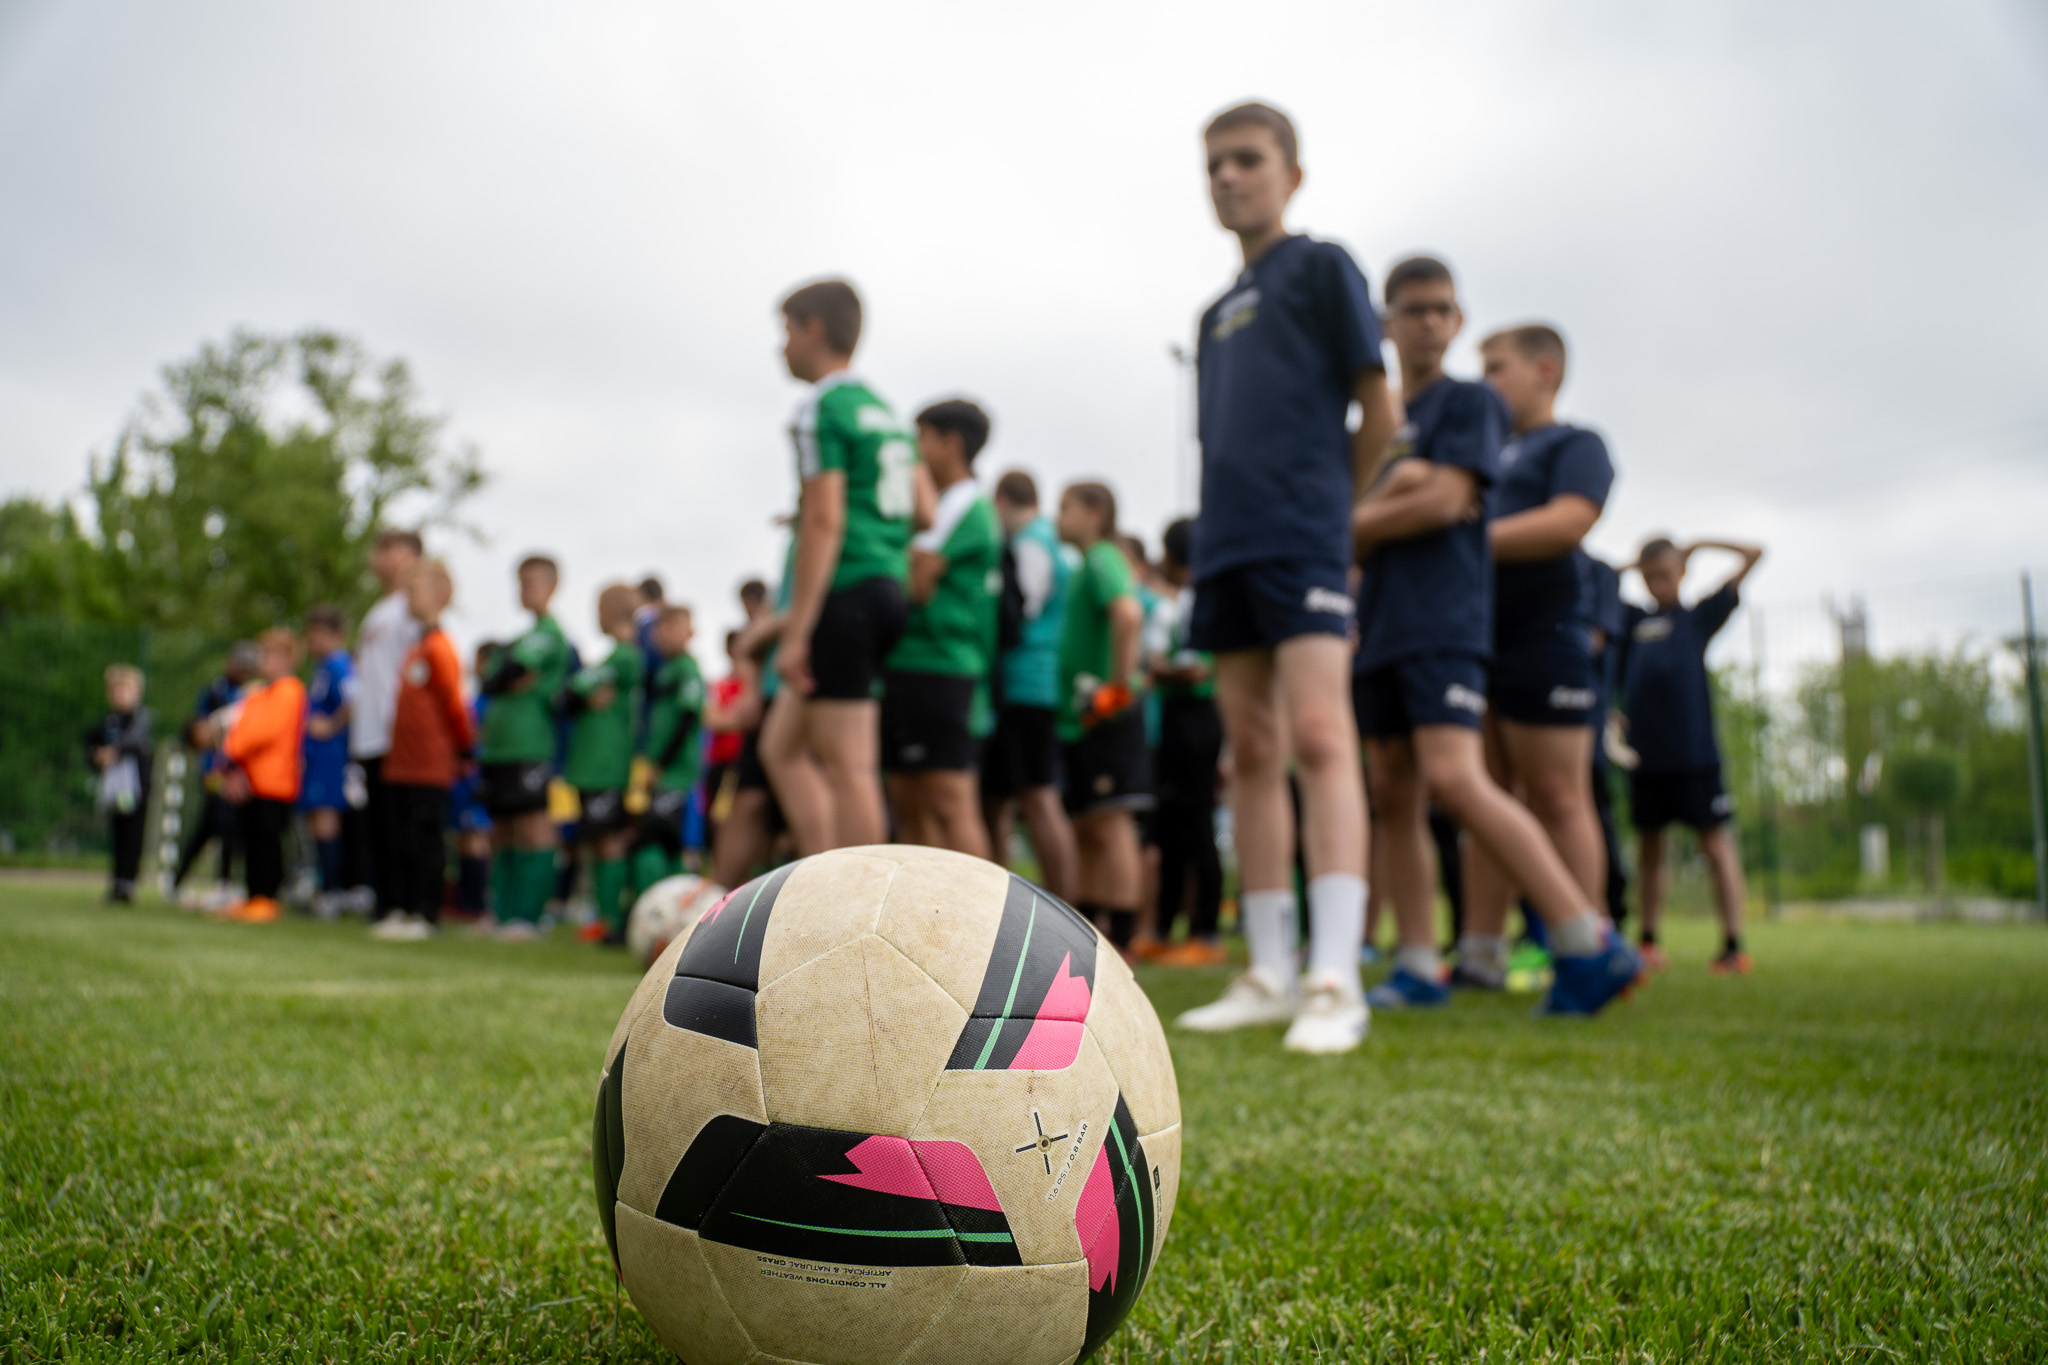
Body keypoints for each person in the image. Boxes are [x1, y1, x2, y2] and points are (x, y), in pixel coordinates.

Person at [1352, 255, 1641, 1017]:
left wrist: (1369, 515)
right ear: (1385, 323)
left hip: (1452, 620)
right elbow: (1383, 497)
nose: (1427, 322)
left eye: (1441, 308)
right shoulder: (1385, 423)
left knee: (1467, 780)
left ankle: (1587, 937)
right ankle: (1425, 961)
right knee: (1394, 789)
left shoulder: (1474, 406)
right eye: (1412, 309)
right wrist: (1391, 495)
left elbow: (1445, 502)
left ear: (1456, 319)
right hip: (1383, 620)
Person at [1173, 101, 1397, 1054]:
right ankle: (1268, 970)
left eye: (1248, 159)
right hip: (1226, 546)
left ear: (1290, 175)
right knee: (1253, 751)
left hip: (1305, 539)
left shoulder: (1322, 266)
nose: (1228, 176)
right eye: (1214, 164)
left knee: (1319, 734)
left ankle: (1334, 976)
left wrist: (1334, 516)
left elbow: (1379, 410)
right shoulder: (1212, 315)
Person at [1454, 321, 1616, 986]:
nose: (1486, 382)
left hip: (1546, 634)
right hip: (1476, 635)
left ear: (1545, 369)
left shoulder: (1576, 444)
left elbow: (1571, 520)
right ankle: (1480, 955)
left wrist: (1468, 540)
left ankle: (1589, 950)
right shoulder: (1487, 453)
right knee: (1483, 795)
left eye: (1497, 367)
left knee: (1558, 794)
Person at [761, 279, 917, 853]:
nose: (781, 347)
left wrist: (796, 632)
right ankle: (819, 881)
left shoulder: (820, 407)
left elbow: (825, 522)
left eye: (786, 332)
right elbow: (923, 507)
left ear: (814, 330)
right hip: (887, 586)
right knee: (780, 748)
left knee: (850, 766)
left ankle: (862, 900)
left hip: (845, 592)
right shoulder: (884, 410)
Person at [1617, 535, 1764, 974]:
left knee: (1715, 845)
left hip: (1695, 757)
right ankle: (1648, 942)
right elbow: (1596, 586)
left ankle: (1733, 945)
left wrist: (1696, 545)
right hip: (1645, 759)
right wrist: (1632, 564)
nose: (1658, 583)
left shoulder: (1698, 617)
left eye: (1665, 574)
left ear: (1682, 572)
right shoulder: (1632, 622)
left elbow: (1753, 554)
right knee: (1649, 850)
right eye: (1650, 577)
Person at [882, 399, 1002, 858]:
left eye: (921, 439)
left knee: (950, 801)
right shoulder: (948, 501)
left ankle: (981, 904)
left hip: (941, 666)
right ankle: (926, 904)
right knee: (909, 800)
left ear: (951, 444)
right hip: (913, 663)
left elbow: (917, 579)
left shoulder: (961, 502)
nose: (914, 452)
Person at [1056, 482, 1150, 949]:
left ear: (1095, 513)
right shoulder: (1086, 564)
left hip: (1106, 716)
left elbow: (1128, 615)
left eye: (1066, 507)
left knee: (1111, 824)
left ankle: (1124, 939)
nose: (1057, 517)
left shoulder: (1102, 557)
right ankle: (1092, 938)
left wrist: (1116, 688)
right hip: (1085, 718)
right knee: (1090, 826)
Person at [982, 470, 1079, 902]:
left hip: (1026, 684)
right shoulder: (1050, 543)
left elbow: (1020, 609)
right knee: (1004, 796)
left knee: (1037, 796)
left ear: (1002, 500)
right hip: (1033, 684)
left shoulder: (1030, 543)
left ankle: (1067, 908)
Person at [375, 559, 474, 940]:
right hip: (401, 763)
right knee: (399, 839)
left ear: (439, 596)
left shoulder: (440, 647)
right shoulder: (415, 647)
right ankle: (401, 909)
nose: (408, 598)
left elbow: (454, 705)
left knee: (426, 840)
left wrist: (463, 749)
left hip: (429, 765)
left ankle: (426, 913)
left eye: (414, 590)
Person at [476, 555, 572, 940]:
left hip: (530, 745)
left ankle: (529, 917)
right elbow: (490, 678)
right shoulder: (519, 638)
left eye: (531, 582)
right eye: (520, 582)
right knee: (503, 828)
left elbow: (506, 671)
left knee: (533, 825)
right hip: (499, 748)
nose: (523, 590)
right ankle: (503, 913)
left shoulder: (549, 634)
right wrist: (500, 674)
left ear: (552, 586)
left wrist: (503, 672)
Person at [1149, 519, 1227, 966]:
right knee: (1171, 826)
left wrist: (1160, 668)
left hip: (1199, 717)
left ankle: (1207, 933)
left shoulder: (1199, 601)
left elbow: (1195, 670)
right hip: (1177, 717)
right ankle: (1164, 928)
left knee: (1198, 822)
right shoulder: (1177, 602)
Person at [566, 583, 645, 945]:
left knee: (608, 839)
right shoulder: (614, 658)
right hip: (593, 765)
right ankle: (602, 916)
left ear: (610, 609)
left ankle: (611, 919)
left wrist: (583, 689)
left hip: (606, 764)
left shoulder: (624, 657)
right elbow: (575, 693)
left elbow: (575, 689)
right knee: (598, 839)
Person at [351, 529, 423, 919]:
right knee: (377, 823)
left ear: (412, 557)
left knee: (401, 823)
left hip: (397, 733)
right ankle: (384, 901)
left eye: (389, 550)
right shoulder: (378, 611)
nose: (379, 558)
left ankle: (405, 904)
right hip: (369, 734)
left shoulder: (411, 610)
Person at [221, 628, 307, 924]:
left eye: (272, 655)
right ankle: (253, 895)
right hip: (252, 780)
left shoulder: (289, 690)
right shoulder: (260, 692)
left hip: (275, 781)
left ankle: (267, 897)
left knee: (267, 840)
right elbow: (241, 724)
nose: (266, 660)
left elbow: (261, 731)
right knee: (251, 839)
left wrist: (233, 748)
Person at [173, 641, 256, 904]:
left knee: (220, 827)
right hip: (215, 773)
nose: (243, 671)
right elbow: (201, 731)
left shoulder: (248, 694)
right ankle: (193, 882)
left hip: (234, 771)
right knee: (215, 824)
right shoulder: (213, 692)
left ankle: (220, 882)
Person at [633, 604, 708, 894]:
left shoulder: (688, 669)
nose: (663, 635)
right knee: (669, 840)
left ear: (690, 632)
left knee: (653, 838)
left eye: (672, 627)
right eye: (659, 629)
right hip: (662, 772)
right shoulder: (664, 670)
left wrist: (660, 764)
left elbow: (687, 719)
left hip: (675, 773)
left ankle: (664, 903)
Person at [299, 604, 356, 915]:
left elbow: (353, 700)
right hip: (316, 756)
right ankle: (322, 887)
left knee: (326, 822)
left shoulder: (339, 664)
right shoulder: (321, 667)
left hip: (331, 757)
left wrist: (332, 725)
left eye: (319, 634)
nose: (313, 641)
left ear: (336, 634)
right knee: (315, 823)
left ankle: (332, 892)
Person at [85, 664, 154, 904]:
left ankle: (128, 882)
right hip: (114, 788)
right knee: (118, 832)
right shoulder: (107, 722)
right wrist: (97, 755)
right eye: (116, 690)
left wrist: (115, 752)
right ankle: (116, 882)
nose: (120, 695)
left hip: (135, 789)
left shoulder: (141, 719)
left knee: (133, 833)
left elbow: (134, 742)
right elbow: (90, 744)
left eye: (125, 690)